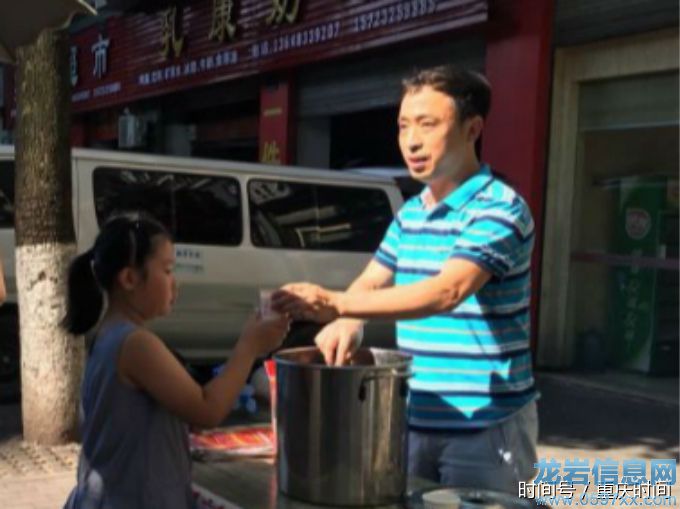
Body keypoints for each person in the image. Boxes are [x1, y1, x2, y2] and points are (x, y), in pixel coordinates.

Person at [272, 65, 538, 493]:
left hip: (485, 426)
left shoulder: (499, 208)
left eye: (427, 125)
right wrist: (348, 321)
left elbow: (447, 290)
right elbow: (373, 279)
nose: (411, 141)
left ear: (472, 129)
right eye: (403, 126)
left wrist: (336, 303)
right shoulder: (412, 213)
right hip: (412, 417)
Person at [62, 213, 289, 509]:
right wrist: (249, 347)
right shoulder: (135, 344)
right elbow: (207, 409)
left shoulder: (110, 335)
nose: (175, 283)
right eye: (167, 270)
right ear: (129, 279)